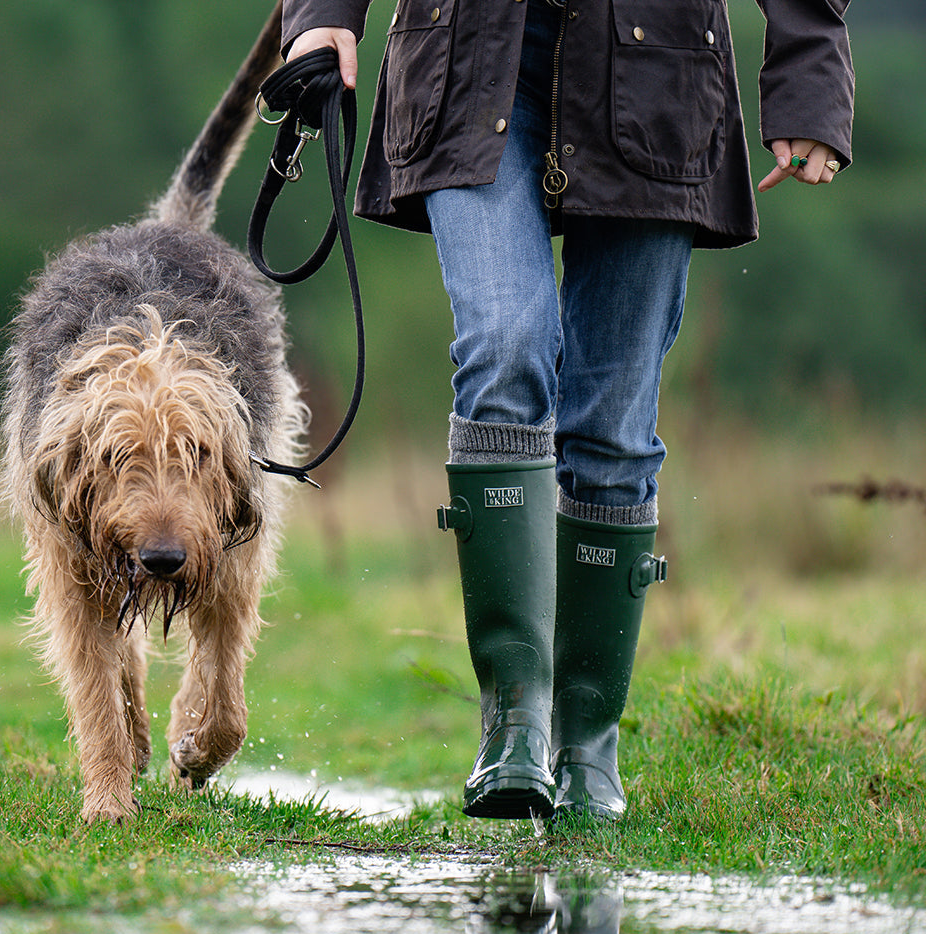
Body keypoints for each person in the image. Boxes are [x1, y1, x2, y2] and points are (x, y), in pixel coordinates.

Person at [279, 0, 854, 824]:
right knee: (505, 345)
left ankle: (587, 745)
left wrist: (809, 70)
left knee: (614, 427)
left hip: (658, 68)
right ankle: (514, 721)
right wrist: (323, 12)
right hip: (468, 53)